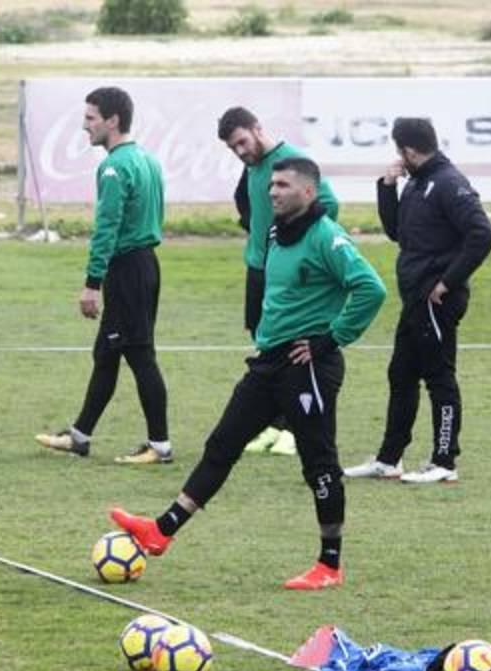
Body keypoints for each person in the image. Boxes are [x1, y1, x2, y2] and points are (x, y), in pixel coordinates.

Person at [111, 157, 386, 590]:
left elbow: (372, 288)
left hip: (307, 366)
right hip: (268, 363)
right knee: (222, 444)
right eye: (271, 184)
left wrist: (329, 339)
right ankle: (161, 531)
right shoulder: (279, 230)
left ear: (309, 192)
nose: (272, 191)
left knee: (319, 464)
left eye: (283, 185)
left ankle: (329, 565)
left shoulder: (326, 237)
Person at [344, 118, 491, 485]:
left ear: (408, 150)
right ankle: (389, 459)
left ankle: (445, 461)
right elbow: (397, 231)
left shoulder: (448, 184)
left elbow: (482, 234)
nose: (399, 158)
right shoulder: (417, 183)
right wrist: (387, 186)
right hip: (415, 299)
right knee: (401, 374)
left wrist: (447, 282)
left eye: (399, 152)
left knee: (439, 377)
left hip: (436, 300)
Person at [35, 86, 172, 465]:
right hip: (145, 265)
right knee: (107, 353)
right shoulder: (147, 159)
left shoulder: (114, 167)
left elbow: (107, 227)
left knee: (140, 354)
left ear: (112, 121)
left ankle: (160, 445)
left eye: (90, 118)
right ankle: (79, 436)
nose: (84, 127)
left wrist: (92, 282)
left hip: (127, 269)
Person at [217, 106, 340, 458]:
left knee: (291, 350)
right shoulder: (253, 167)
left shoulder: (291, 161)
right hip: (259, 268)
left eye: (242, 142)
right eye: (233, 148)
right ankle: (274, 424)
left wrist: (299, 242)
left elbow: (329, 203)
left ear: (257, 129)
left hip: (284, 271)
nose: (240, 151)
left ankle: (293, 430)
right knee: (265, 343)